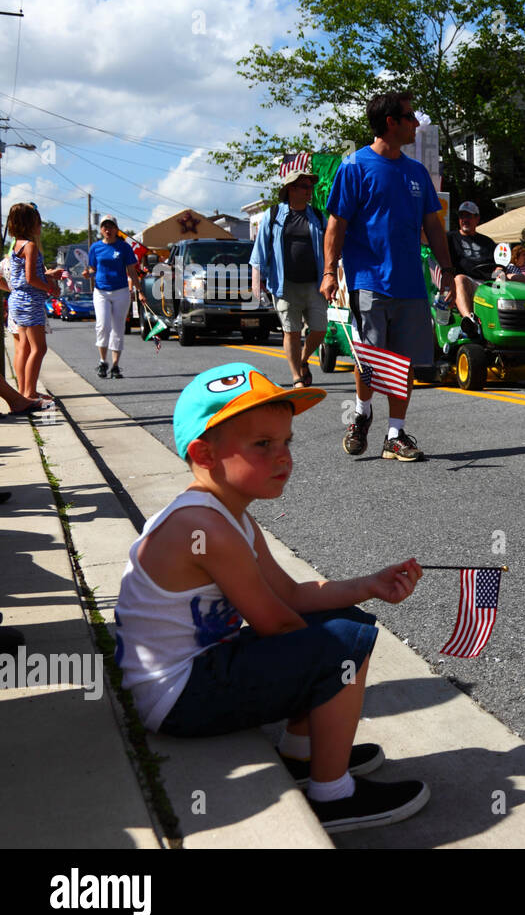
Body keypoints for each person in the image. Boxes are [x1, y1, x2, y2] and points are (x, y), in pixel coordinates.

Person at [112, 362, 430, 832]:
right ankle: (333, 795)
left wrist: (368, 586)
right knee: (343, 642)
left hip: (191, 676)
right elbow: (278, 625)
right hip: (177, 697)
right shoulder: (206, 527)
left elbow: (292, 594)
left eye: (287, 442)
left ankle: (302, 756)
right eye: (263, 444)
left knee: (340, 625)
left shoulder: (230, 517)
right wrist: (330, 670)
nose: (284, 457)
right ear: (204, 453)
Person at [324, 89, 454, 462]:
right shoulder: (354, 166)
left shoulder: (416, 172)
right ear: (390, 122)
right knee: (370, 360)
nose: (416, 123)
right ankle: (363, 414)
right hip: (369, 281)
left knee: (404, 362)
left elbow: (433, 222)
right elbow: (337, 224)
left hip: (412, 284)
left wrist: (446, 269)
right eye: (410, 116)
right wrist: (329, 272)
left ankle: (395, 435)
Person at [251, 169, 327, 388]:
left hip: (314, 284)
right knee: (291, 332)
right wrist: (258, 282)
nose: (309, 191)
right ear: (291, 189)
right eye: (305, 187)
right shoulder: (274, 214)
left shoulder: (318, 216)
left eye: (311, 187)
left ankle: (303, 360)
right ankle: (297, 377)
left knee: (320, 329)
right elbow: (260, 250)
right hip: (285, 285)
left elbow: (328, 248)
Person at [6, 203, 64, 404]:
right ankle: (29, 393)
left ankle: (25, 391)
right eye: (38, 222)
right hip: (29, 301)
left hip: (19, 300)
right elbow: (30, 278)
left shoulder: (17, 244)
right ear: (30, 224)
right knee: (39, 348)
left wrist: (47, 276)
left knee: (27, 347)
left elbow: (24, 276)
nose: (40, 226)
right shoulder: (30, 246)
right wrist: (50, 288)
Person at [84, 216, 141, 380]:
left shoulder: (124, 247)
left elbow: (131, 270)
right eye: (104, 227)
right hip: (101, 291)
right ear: (101, 229)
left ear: (116, 229)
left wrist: (139, 290)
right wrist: (88, 273)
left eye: (111, 227)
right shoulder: (95, 247)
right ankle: (103, 361)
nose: (107, 230)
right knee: (102, 325)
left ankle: (115, 365)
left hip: (121, 291)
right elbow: (93, 268)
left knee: (118, 328)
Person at [448, 201, 496, 318]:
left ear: (477, 218)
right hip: (467, 283)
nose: (465, 219)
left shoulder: (488, 242)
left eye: (468, 216)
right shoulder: (450, 238)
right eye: (462, 216)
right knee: (459, 279)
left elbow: (498, 265)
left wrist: (500, 271)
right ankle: (469, 321)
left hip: (490, 284)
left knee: (521, 278)